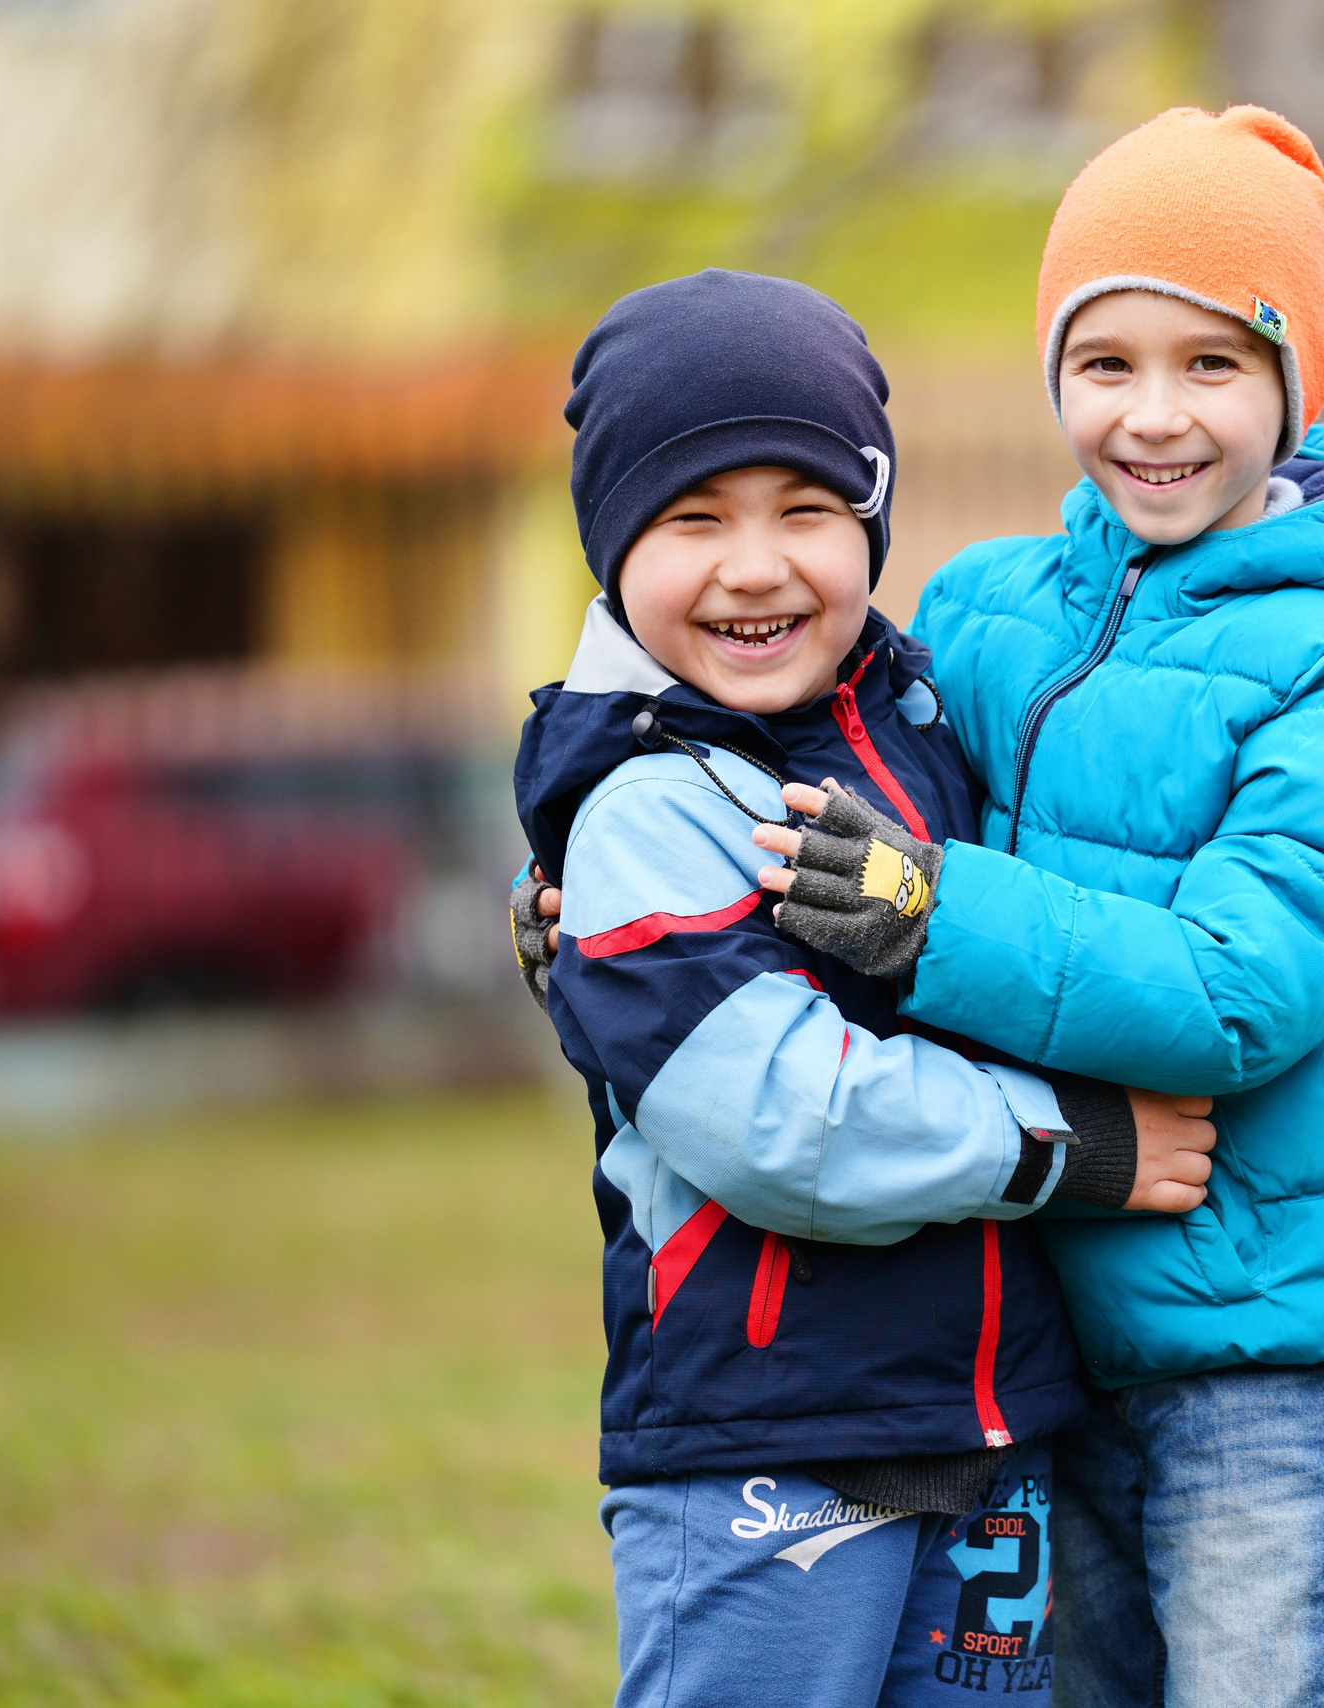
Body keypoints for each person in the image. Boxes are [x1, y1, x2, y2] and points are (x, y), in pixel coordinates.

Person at [750, 107, 1324, 1708]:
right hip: (1025, 1325)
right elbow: (819, 803)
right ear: (1054, 375)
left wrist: (935, 919)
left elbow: (1236, 989)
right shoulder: (982, 612)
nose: (1155, 417)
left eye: (1214, 364)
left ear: (1298, 383)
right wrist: (607, 890)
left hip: (1263, 1342)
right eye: (1108, 363)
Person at [510, 267, 1218, 1708]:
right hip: (762, 1444)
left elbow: (1080, 902)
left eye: (808, 511)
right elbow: (782, 1119)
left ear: (872, 523)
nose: (756, 566)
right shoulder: (644, 810)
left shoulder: (919, 723)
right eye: (692, 517)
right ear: (609, 544)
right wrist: (1069, 1141)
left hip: (980, 1426)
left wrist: (1296, 967)